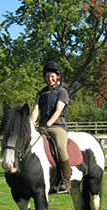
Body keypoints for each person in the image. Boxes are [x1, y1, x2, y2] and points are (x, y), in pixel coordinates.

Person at [31, 61, 71, 193]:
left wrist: (48, 125)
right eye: (47, 76)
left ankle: (66, 180)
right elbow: (36, 110)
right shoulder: (41, 93)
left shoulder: (62, 92)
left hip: (57, 126)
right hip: (42, 126)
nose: (50, 79)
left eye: (52, 76)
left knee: (60, 146)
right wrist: (30, 125)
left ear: (57, 76)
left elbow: (58, 111)